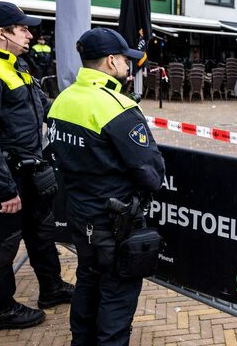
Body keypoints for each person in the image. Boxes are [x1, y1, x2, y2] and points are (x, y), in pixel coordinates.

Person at [0, 1, 74, 331]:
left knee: (41, 232)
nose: (30, 34)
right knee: (0, 244)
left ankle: (52, 288)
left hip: (29, 172)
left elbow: (39, 110)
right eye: (22, 28)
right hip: (1, 178)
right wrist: (4, 189)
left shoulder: (16, 66)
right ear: (2, 33)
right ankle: (1, 309)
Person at [47, 27, 165, 346]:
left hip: (80, 216)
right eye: (126, 60)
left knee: (87, 282)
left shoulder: (62, 100)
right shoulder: (117, 107)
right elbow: (152, 172)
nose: (129, 66)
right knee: (116, 298)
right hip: (114, 225)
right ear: (111, 62)